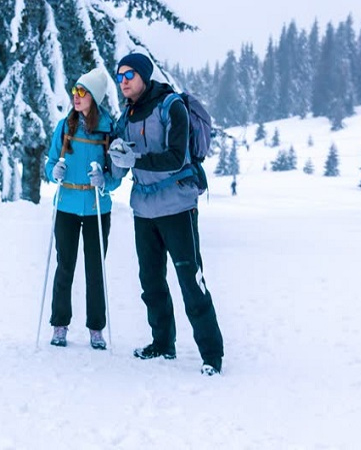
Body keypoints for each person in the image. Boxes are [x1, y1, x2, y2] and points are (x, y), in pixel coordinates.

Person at [108, 53, 224, 375]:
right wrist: (108, 170)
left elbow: (176, 157)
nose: (123, 82)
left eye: (129, 75)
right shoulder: (126, 117)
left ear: (144, 76)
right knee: (151, 281)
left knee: (191, 280)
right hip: (143, 211)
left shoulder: (171, 106)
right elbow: (120, 163)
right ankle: (162, 343)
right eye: (119, 77)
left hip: (178, 207)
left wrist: (134, 160)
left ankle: (211, 355)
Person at [44, 68, 121, 350]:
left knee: (95, 270)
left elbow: (117, 174)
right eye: (74, 91)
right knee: (64, 266)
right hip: (66, 205)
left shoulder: (109, 130)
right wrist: (55, 172)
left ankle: (96, 328)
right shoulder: (65, 126)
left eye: (82, 92)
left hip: (97, 207)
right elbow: (50, 162)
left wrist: (105, 180)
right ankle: (59, 324)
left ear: (94, 97)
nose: (75, 97)